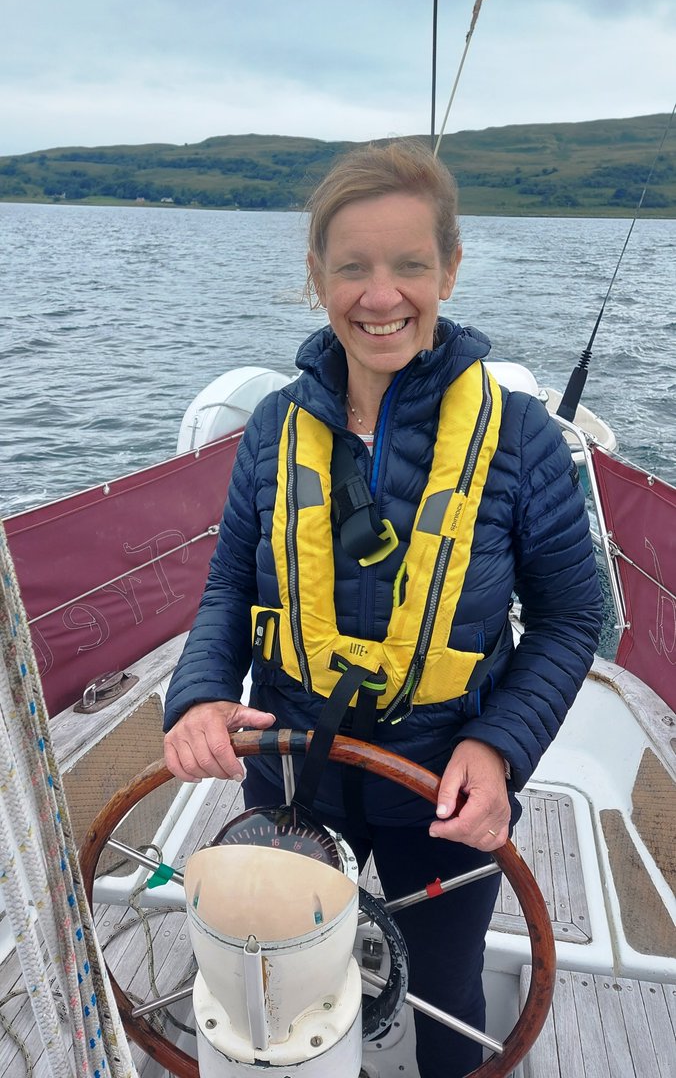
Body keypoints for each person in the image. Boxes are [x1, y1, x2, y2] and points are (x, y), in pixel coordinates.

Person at [163, 140, 603, 1078]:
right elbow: (229, 586)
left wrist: (499, 747)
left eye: (409, 265)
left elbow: (571, 619)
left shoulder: (520, 440)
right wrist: (200, 693)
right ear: (316, 275)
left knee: (448, 1009)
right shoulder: (275, 427)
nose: (381, 295)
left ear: (449, 268)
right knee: (272, 1001)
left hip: (440, 787)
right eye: (352, 267)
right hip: (290, 776)